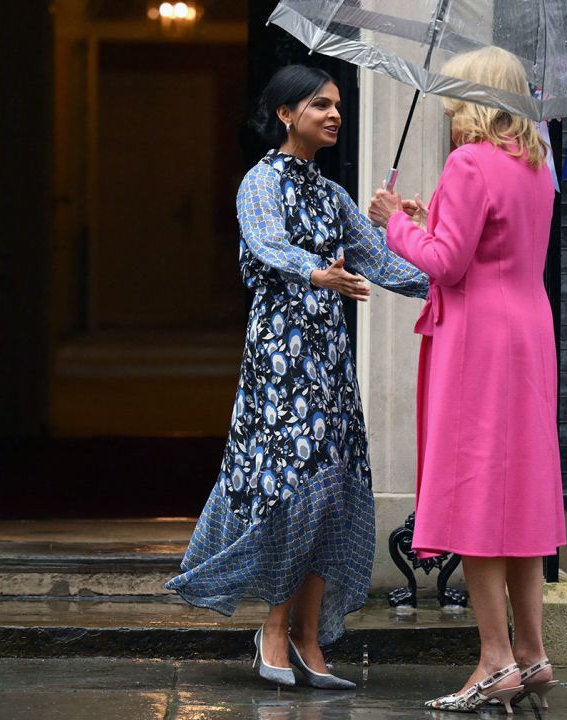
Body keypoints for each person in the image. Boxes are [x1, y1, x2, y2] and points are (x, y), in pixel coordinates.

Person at [166, 64, 429, 690]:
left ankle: (310, 641)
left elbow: (390, 264)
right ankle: (274, 632)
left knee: (333, 492)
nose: (335, 114)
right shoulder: (261, 182)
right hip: (281, 360)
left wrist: (428, 242)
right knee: (291, 492)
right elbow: (266, 245)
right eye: (320, 104)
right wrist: (319, 275)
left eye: (338, 104)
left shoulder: (333, 196)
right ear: (285, 113)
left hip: (329, 363)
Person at [368, 46, 566, 713]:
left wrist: (393, 222)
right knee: (522, 497)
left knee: (481, 494)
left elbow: (447, 266)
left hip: (479, 341)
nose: (450, 114)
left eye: (456, 99)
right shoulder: (536, 166)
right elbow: (487, 246)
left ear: (475, 100)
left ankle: (494, 658)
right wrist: (431, 221)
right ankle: (533, 653)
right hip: (529, 333)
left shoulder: (469, 162)